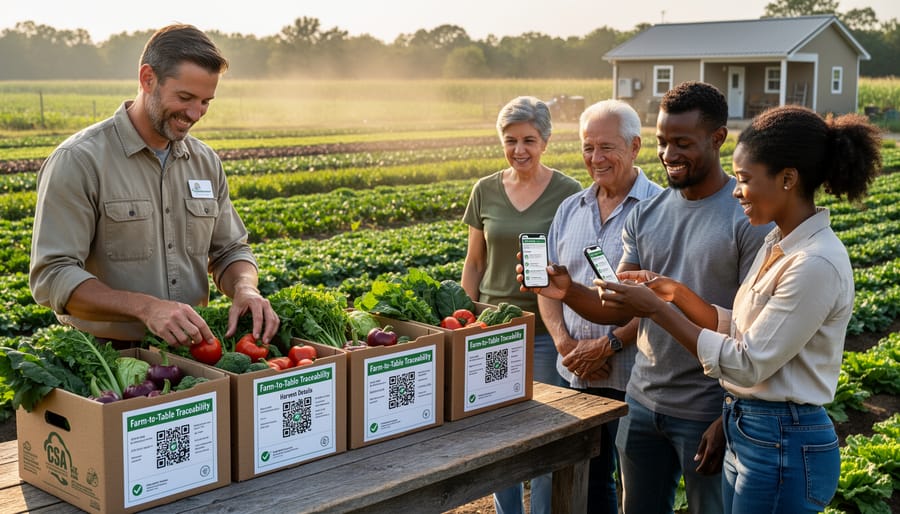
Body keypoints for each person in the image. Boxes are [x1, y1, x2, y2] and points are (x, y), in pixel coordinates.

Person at [600, 105, 881, 513]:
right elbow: (741, 327)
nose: (736, 190)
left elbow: (748, 363)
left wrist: (659, 313)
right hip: (752, 427)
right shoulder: (779, 245)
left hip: (783, 439)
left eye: (746, 179)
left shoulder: (814, 264)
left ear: (788, 179)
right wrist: (674, 293)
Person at [519, 81, 772, 514]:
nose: (669, 154)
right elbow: (616, 303)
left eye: (682, 143)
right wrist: (569, 291)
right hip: (643, 401)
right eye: (663, 142)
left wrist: (727, 413)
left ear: (717, 139)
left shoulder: (746, 217)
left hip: (706, 406)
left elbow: (755, 332)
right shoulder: (647, 214)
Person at [29, 24, 279, 349]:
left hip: (194, 351)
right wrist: (146, 309)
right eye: (185, 97)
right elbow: (53, 276)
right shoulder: (79, 160)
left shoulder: (204, 162)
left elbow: (230, 250)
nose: (195, 113)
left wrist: (245, 287)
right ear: (148, 79)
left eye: (206, 101)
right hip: (105, 358)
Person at [540, 99, 662, 513]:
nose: (596, 158)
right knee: (586, 483)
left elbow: (662, 298)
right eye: (588, 147)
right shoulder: (570, 209)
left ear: (635, 147)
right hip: (574, 373)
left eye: (606, 147)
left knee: (636, 486)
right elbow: (548, 287)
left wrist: (608, 345)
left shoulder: (661, 210)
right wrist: (564, 344)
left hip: (634, 376)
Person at [462, 95, 582, 514]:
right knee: (498, 433)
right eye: (510, 140)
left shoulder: (569, 193)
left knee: (546, 429)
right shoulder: (486, 191)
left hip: (547, 332)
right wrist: (466, 320)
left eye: (529, 140)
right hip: (492, 330)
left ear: (546, 141)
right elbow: (475, 263)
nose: (519, 150)